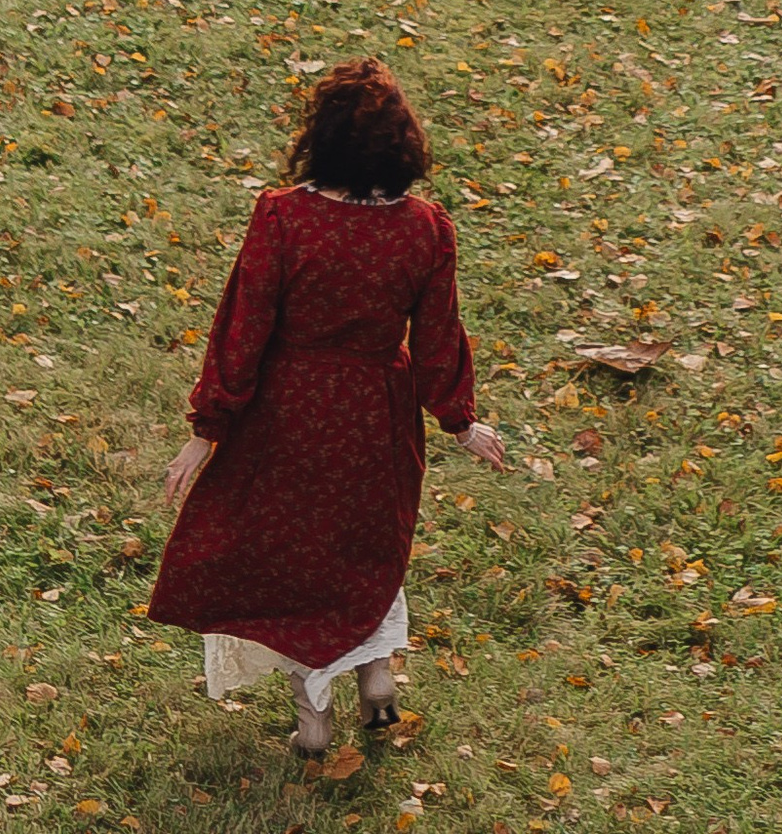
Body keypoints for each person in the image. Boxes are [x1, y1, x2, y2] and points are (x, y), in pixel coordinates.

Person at [146, 57, 509, 757]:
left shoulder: (284, 217)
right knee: (363, 548)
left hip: (290, 411)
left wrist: (206, 430)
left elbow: (243, 328)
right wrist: (460, 422)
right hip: (378, 410)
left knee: (296, 562)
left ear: (323, 140)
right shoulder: (427, 229)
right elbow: (437, 340)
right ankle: (377, 682)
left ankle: (314, 723)